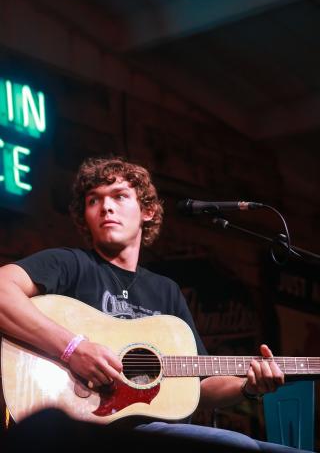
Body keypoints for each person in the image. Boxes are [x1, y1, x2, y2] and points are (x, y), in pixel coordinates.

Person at [0, 156, 312, 452]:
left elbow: (199, 385)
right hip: (82, 427)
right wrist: (73, 348)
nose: (106, 206)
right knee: (239, 447)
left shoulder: (165, 291)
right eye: (94, 200)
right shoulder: (70, 264)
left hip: (148, 431)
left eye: (119, 196)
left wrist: (250, 387)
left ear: (147, 210)